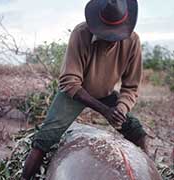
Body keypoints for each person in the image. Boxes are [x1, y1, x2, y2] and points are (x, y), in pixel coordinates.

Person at [22, 0, 148, 179]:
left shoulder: (133, 41)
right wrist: (105, 111)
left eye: (117, 35)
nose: (112, 39)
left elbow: (131, 86)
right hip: (75, 94)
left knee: (137, 132)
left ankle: (148, 173)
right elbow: (70, 82)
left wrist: (120, 109)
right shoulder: (81, 34)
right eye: (107, 34)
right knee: (44, 140)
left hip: (106, 94)